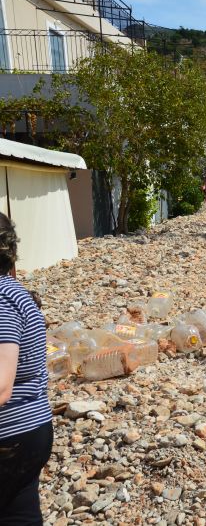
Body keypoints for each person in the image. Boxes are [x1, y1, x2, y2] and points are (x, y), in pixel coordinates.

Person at [0, 213, 53, 524]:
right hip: (29, 431)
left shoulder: (2, 301)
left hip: (10, 437)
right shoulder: (14, 291)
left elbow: (2, 386)